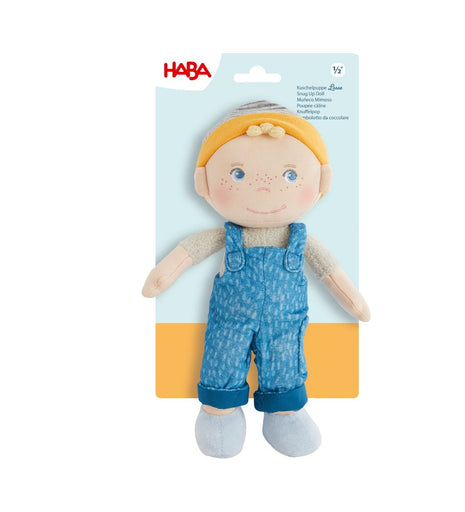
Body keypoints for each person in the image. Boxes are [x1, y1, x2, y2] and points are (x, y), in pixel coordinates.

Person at [142, 100, 370, 458]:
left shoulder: (301, 240)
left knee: (285, 361)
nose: (264, 188)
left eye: (291, 176)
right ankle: (219, 412)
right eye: (237, 174)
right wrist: (159, 279)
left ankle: (283, 414)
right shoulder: (226, 235)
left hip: (285, 323)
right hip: (229, 320)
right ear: (204, 182)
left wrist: (355, 302)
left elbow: (330, 272)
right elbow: (190, 251)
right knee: (221, 356)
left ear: (321, 181)